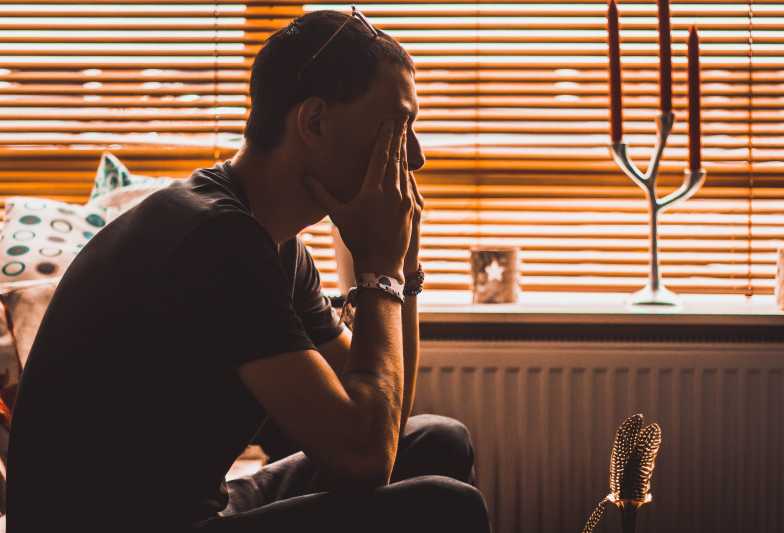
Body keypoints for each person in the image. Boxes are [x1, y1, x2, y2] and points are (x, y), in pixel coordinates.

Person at [6, 9, 491, 533]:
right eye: (397, 126)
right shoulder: (213, 239)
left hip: (191, 510)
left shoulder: (273, 247)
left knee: (438, 439)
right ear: (314, 122)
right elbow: (363, 456)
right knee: (446, 505)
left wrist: (403, 269)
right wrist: (379, 272)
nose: (414, 158)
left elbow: (383, 424)